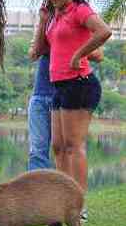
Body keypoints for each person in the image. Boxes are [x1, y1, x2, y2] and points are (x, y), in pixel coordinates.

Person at [31, 0, 111, 193]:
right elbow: (38, 51)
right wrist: (43, 20)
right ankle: (63, 201)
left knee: (73, 147)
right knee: (58, 147)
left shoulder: (80, 10)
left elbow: (103, 31)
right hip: (59, 86)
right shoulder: (55, 17)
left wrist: (78, 55)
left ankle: (78, 204)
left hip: (80, 83)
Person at [27, 33, 102, 172]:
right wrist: (44, 25)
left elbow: (98, 55)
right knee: (37, 150)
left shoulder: (77, 22)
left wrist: (66, 44)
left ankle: (67, 189)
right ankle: (38, 191)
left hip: (67, 93)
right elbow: (33, 54)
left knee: (68, 147)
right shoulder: (47, 25)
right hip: (40, 94)